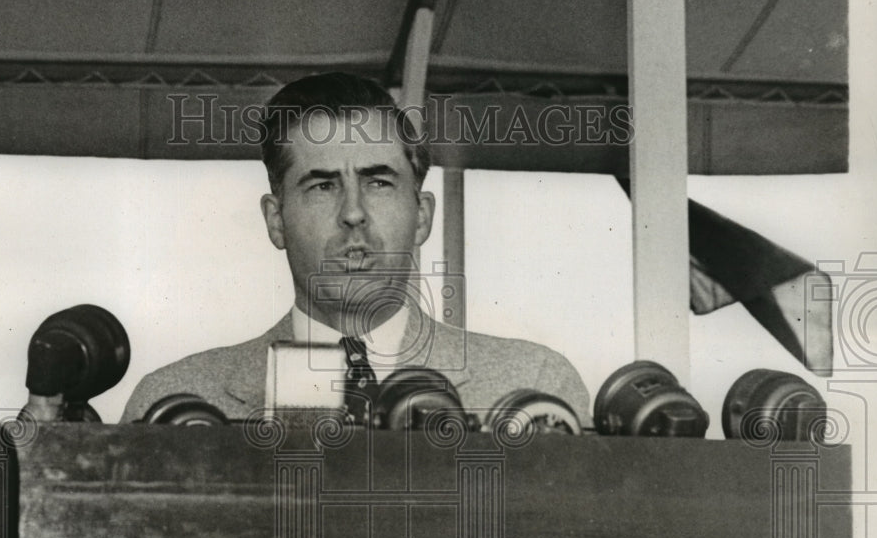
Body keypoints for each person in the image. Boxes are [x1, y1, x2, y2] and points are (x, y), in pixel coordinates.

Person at [121, 72, 591, 425]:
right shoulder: (176, 404)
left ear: (423, 215)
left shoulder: (534, 389)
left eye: (379, 183)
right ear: (275, 219)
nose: (353, 212)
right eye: (322, 186)